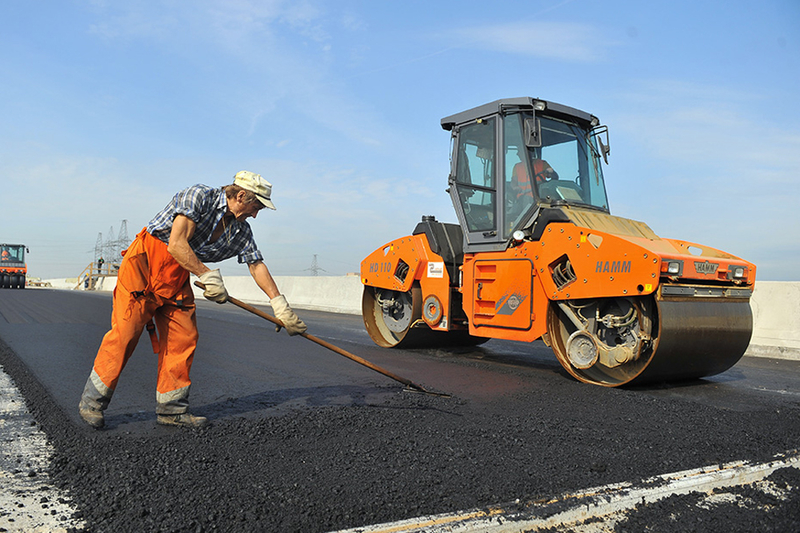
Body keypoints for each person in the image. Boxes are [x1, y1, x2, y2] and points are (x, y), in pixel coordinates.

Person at [78, 171, 307, 429]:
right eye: (256, 207)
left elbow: (256, 265)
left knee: (184, 337)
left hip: (177, 274)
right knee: (126, 333)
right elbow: (176, 243)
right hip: (144, 264)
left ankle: (172, 410)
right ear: (241, 195)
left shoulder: (240, 231)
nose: (255, 214)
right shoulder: (200, 196)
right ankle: (92, 402)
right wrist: (206, 275)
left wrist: (279, 304)